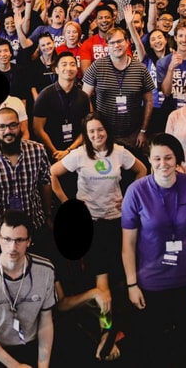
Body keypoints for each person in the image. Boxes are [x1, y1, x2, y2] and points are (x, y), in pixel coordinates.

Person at [121, 133, 186, 367]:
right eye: (157, 159)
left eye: (169, 158)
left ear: (178, 159)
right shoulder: (136, 191)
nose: (163, 164)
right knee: (154, 346)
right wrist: (132, 284)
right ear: (149, 160)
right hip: (150, 282)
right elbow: (128, 245)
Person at [51, 111, 146, 277]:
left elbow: (142, 170)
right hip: (88, 220)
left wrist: (129, 199)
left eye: (100, 129)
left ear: (107, 130)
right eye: (92, 131)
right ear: (86, 135)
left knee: (115, 265)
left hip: (115, 217)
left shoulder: (119, 152)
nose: (97, 135)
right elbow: (52, 173)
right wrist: (67, 203)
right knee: (92, 266)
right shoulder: (79, 154)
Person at [0, 210, 55, 367]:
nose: (13, 247)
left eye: (19, 240)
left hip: (29, 344)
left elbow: (46, 322)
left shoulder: (45, 270)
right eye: (7, 239)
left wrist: (43, 364)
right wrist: (14, 365)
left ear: (29, 241)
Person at [0, 107, 53, 253]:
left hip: (34, 224)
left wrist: (48, 216)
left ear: (20, 126)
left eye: (12, 125)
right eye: (2, 127)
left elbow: (45, 182)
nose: (8, 131)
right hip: (1, 231)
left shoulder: (38, 150)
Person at [81, 26, 154, 148]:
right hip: (103, 134)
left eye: (119, 41)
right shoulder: (97, 67)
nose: (116, 45)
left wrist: (143, 131)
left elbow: (149, 101)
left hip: (133, 135)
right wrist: (94, 125)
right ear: (107, 46)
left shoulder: (140, 69)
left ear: (127, 42)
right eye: (112, 43)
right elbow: (84, 98)